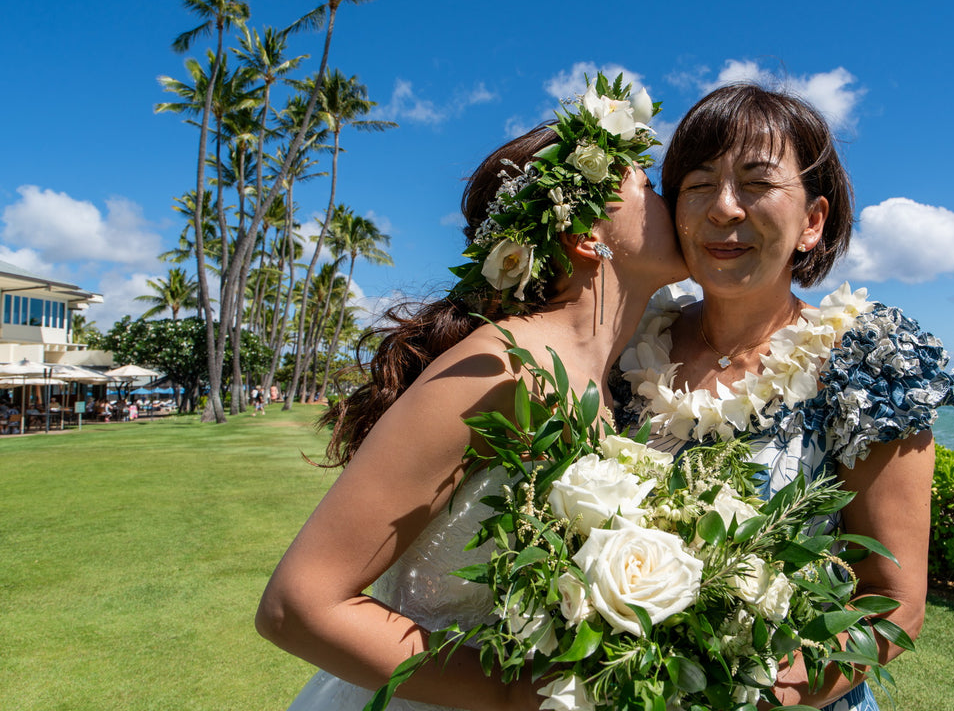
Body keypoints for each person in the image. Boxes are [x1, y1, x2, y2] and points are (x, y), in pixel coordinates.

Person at [257, 75, 687, 711]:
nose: (670, 199)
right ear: (584, 236)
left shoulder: (621, 377)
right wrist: (515, 696)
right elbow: (299, 604)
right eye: (646, 187)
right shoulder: (497, 369)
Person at [616, 84, 954, 711]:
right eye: (697, 185)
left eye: (756, 183)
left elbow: (894, 602)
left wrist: (766, 691)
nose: (724, 208)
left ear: (812, 221)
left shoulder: (866, 358)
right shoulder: (626, 344)